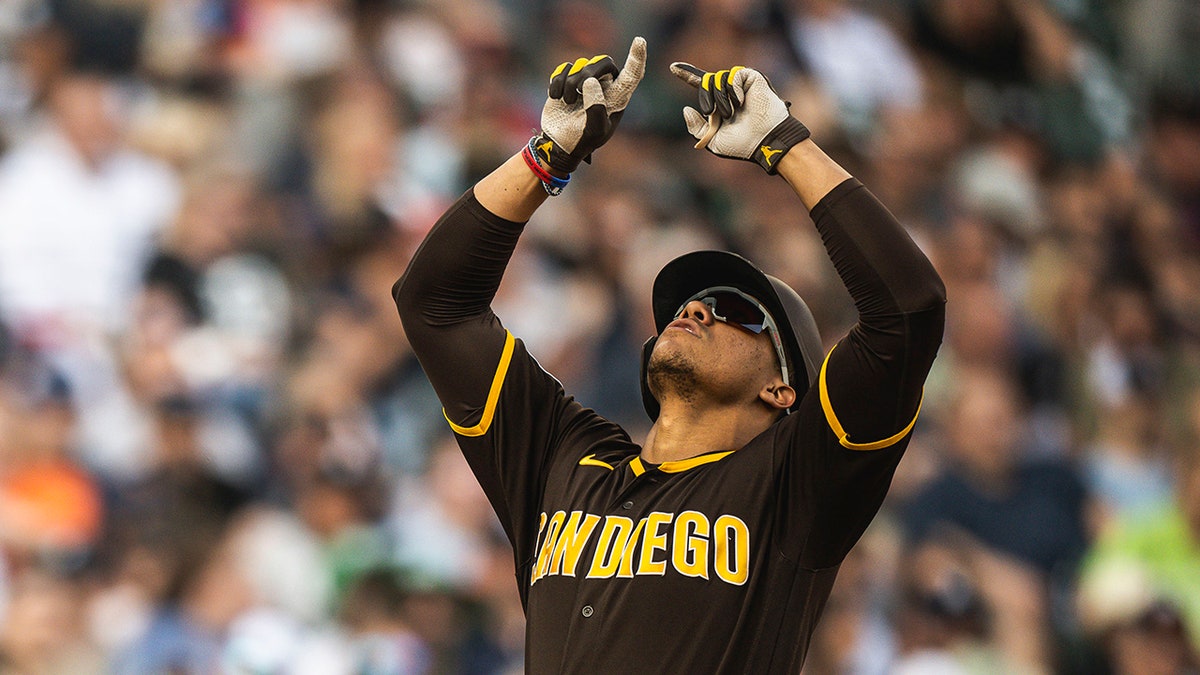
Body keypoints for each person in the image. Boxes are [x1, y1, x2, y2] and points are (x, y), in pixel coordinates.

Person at [394, 36, 945, 673]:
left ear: (781, 390)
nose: (697, 310)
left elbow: (908, 311)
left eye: (738, 312)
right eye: (693, 303)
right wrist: (546, 158)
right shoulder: (563, 457)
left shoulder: (798, 481)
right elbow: (433, 303)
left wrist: (787, 145)